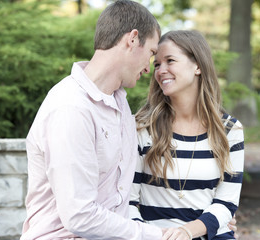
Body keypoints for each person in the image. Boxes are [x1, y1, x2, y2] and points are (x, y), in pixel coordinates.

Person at [20, 1, 163, 239]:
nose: (149, 68)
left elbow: (119, 197)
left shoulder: (119, 103)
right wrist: (156, 235)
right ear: (132, 39)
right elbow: (80, 215)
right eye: (151, 53)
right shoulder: (70, 107)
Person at [129, 30, 244, 240]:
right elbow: (128, 201)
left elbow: (226, 203)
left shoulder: (229, 130)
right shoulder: (141, 127)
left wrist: (186, 232)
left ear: (198, 66)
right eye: (156, 64)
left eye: (170, 61)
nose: (161, 70)